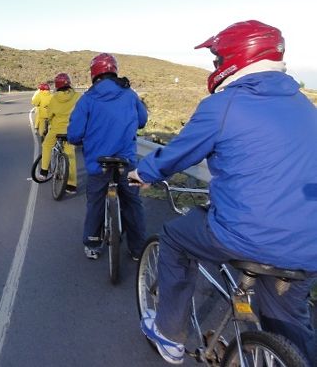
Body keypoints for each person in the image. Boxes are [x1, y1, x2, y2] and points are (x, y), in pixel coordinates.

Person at [128, 20, 317, 365]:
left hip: (247, 234)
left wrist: (143, 172)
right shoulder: (304, 105)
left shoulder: (224, 105)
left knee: (173, 237)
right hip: (308, 242)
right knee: (289, 325)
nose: (215, 67)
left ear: (235, 59)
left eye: (217, 59)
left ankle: (170, 336)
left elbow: (178, 153)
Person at [67, 53, 148, 260]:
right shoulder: (129, 94)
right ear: (114, 70)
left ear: (94, 74)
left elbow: (75, 133)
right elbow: (142, 120)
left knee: (95, 200)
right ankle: (138, 250)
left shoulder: (87, 98)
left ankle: (92, 244)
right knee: (132, 202)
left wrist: (78, 140)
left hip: (97, 163)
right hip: (126, 160)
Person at [35, 73, 80, 194]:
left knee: (46, 146)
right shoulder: (77, 96)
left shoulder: (54, 98)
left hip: (56, 130)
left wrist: (48, 122)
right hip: (71, 130)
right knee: (70, 155)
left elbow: (49, 115)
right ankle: (71, 185)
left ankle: (44, 172)